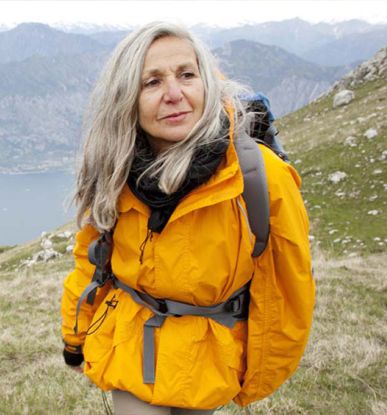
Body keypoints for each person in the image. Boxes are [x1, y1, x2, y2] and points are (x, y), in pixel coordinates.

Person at [60, 22, 315, 414]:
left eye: (186, 75)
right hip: (131, 352)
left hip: (210, 361)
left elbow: (286, 285)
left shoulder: (258, 175)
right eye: (152, 82)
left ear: (206, 83)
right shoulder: (114, 170)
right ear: (126, 97)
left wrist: (261, 374)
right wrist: (74, 338)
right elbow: (92, 262)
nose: (174, 94)